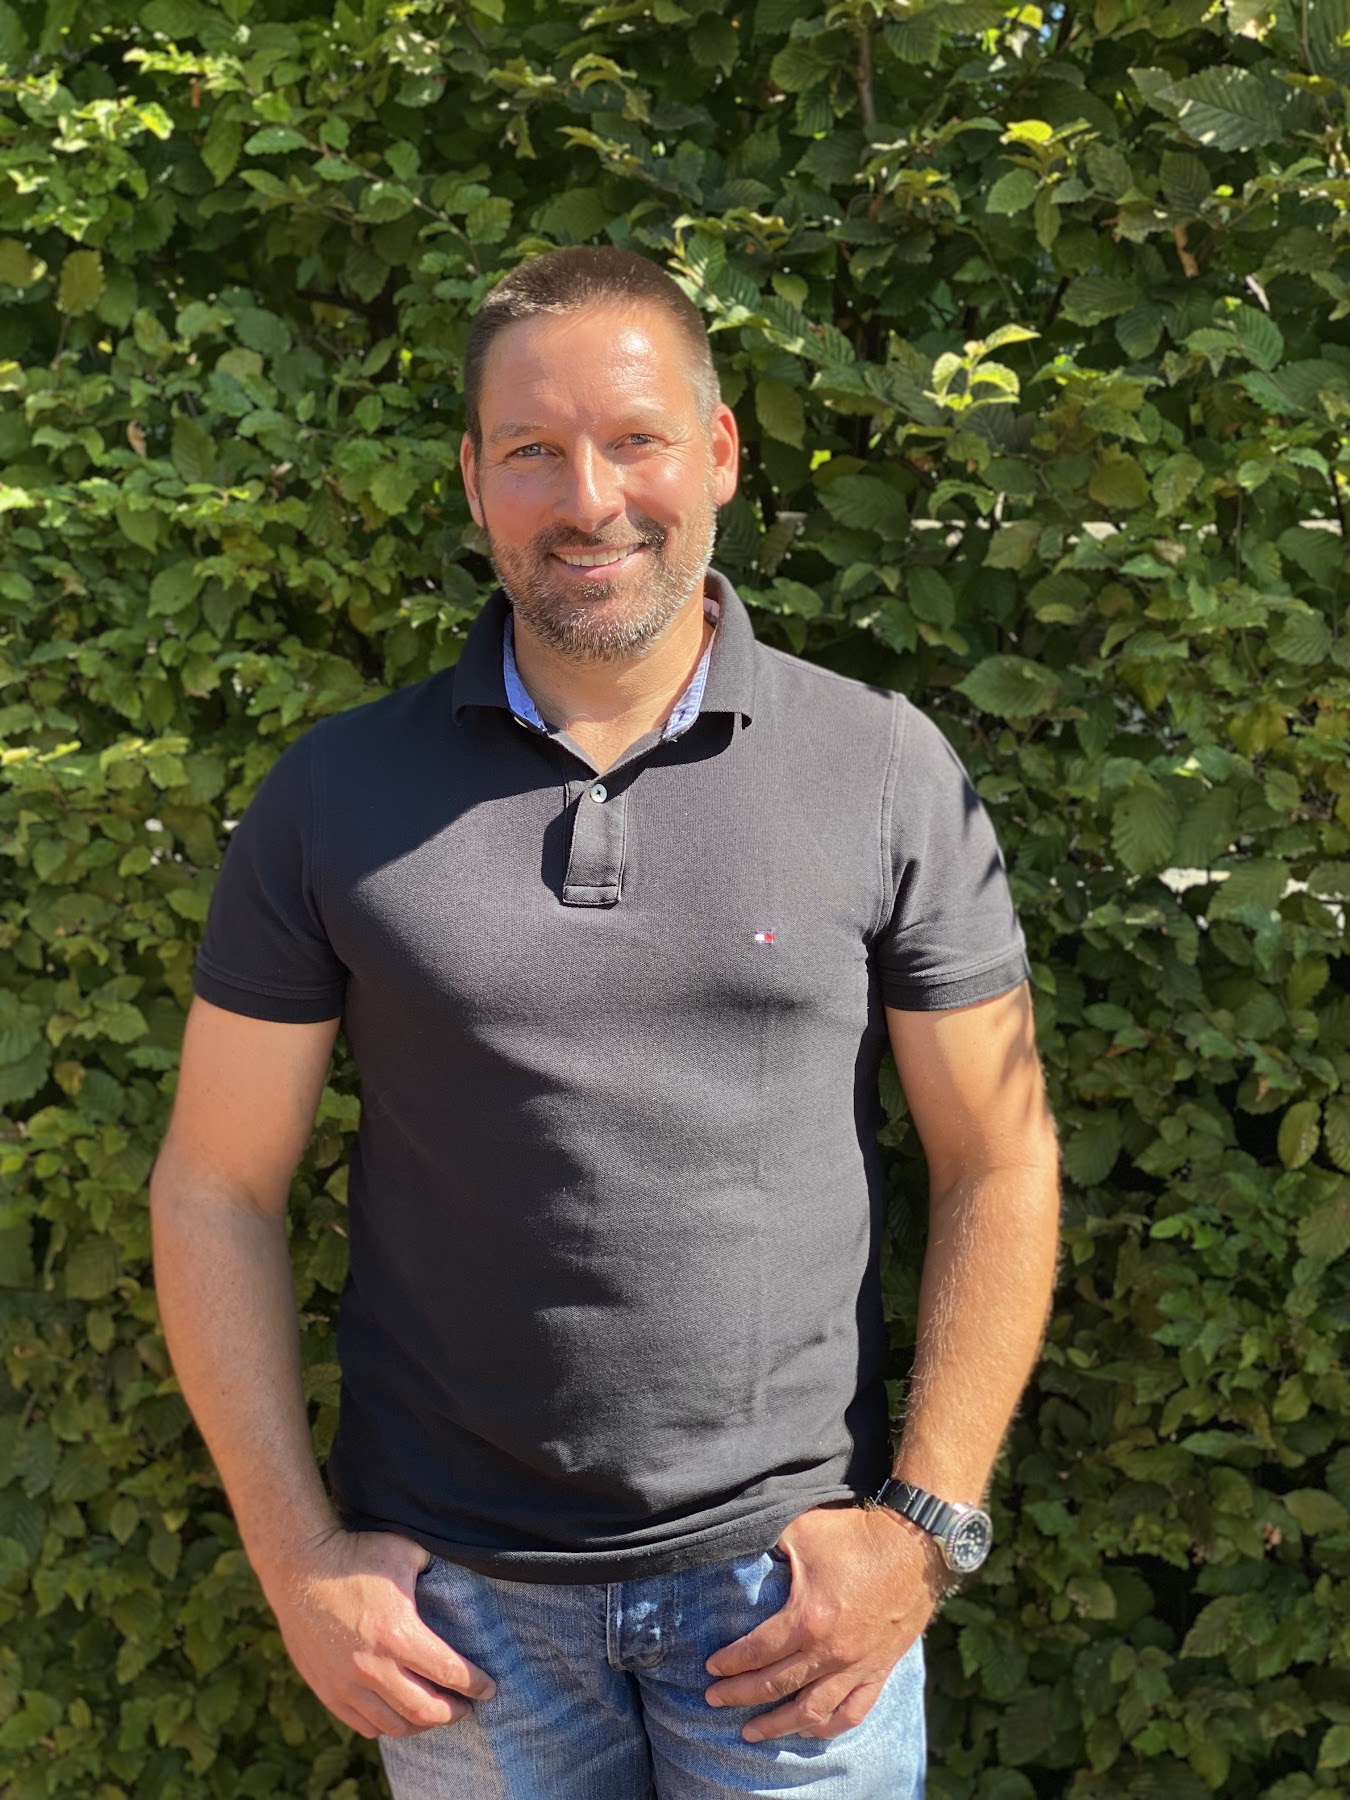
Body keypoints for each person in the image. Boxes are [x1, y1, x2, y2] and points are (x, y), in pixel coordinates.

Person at [150, 246, 1060, 1800]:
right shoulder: (334, 795)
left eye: (636, 440)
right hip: (457, 1619)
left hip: (790, 1607)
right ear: (471, 479)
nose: (589, 500)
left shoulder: (878, 766)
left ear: (718, 453)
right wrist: (297, 1559)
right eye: (532, 451)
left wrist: (923, 1529)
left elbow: (1000, 1154)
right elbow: (212, 1186)